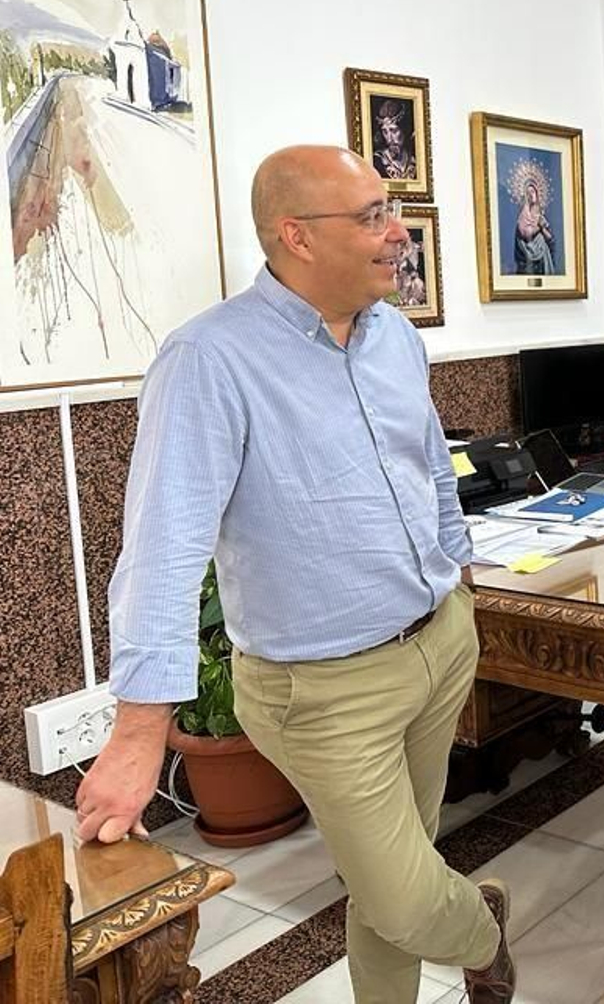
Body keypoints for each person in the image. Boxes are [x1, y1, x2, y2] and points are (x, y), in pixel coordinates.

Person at [75, 146, 517, 1004]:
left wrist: (456, 568)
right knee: (404, 894)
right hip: (321, 689)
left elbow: (428, 462)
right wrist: (137, 733)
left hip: (437, 641)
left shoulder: (394, 335)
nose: (398, 235)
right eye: (373, 217)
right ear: (296, 237)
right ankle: (482, 930)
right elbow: (164, 546)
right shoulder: (209, 360)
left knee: (387, 882)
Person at [512, 164, 557, 275]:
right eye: (528, 193)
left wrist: (542, 228)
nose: (531, 195)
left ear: (537, 194)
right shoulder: (523, 216)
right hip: (529, 260)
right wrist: (539, 227)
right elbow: (526, 234)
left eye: (533, 192)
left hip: (543, 256)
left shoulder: (540, 216)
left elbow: (550, 239)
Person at [372, 98, 417, 181]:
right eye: (385, 132)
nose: (389, 138)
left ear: (404, 131)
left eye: (394, 131)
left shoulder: (414, 159)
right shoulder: (378, 160)